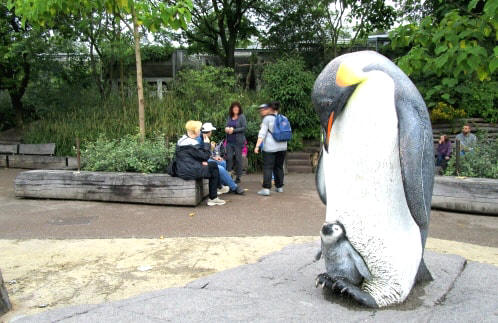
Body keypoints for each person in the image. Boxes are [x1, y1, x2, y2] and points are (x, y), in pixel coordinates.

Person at [175, 120, 225, 206]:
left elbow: (191, 156)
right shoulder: (192, 143)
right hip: (188, 171)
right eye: (199, 129)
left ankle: (218, 189)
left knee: (211, 165)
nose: (200, 131)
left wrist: (201, 162)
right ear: (195, 131)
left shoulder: (182, 140)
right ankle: (213, 197)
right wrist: (206, 144)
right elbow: (205, 156)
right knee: (213, 166)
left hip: (181, 168)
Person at [201, 122, 245, 195]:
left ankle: (222, 185)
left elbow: (206, 154)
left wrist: (214, 157)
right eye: (211, 131)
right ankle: (234, 187)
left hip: (205, 159)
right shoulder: (201, 139)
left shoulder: (205, 138)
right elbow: (201, 155)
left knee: (222, 162)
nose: (211, 132)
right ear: (209, 132)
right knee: (220, 168)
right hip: (201, 161)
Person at [254, 103, 287, 196]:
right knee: (279, 167)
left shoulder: (267, 119)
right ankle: (279, 187)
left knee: (268, 167)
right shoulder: (284, 118)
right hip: (283, 147)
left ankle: (266, 189)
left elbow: (262, 134)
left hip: (270, 148)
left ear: (270, 109)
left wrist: (257, 146)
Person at [225, 101, 246, 184]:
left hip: (238, 141)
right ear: (232, 109)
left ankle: (238, 177)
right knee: (229, 158)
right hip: (229, 141)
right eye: (234, 108)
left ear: (239, 109)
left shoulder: (242, 117)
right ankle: (229, 175)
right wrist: (226, 129)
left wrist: (234, 130)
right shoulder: (229, 117)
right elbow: (226, 125)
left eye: (237, 108)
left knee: (238, 159)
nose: (235, 109)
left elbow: (244, 128)